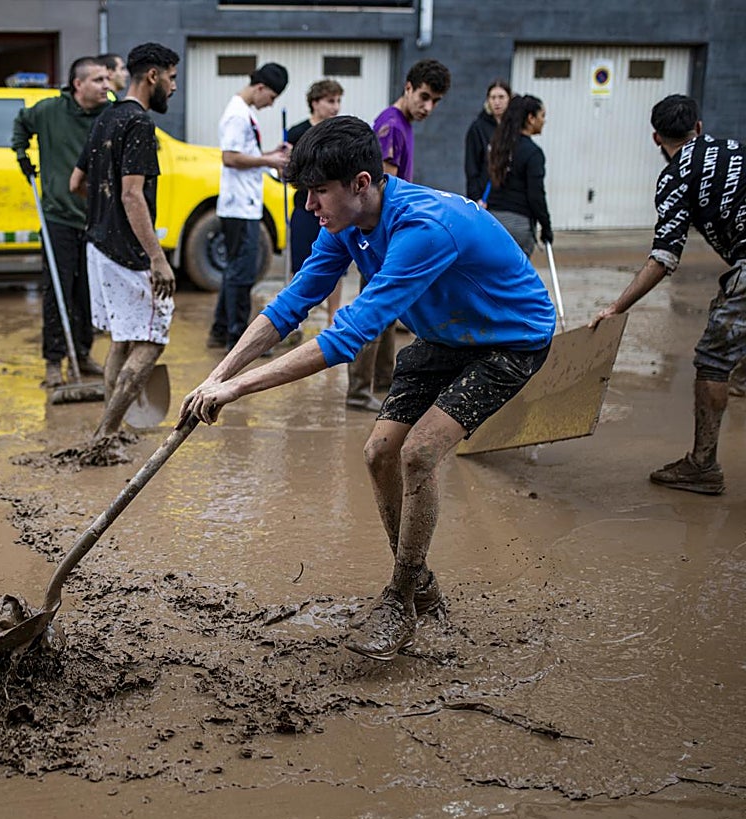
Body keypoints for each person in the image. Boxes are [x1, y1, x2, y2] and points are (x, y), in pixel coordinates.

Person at [181, 116, 555, 661]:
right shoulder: (345, 225)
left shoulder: (423, 229)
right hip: (444, 334)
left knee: (419, 452)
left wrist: (237, 389)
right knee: (379, 452)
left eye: (318, 191)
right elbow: (292, 303)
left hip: (509, 340)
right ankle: (420, 582)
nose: (309, 205)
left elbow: (344, 338)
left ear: (361, 183)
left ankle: (399, 598)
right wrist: (217, 375)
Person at [590, 94, 744, 496]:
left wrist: (615, 307)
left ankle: (702, 466)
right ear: (698, 127)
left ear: (656, 138)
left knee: (714, 360)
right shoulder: (734, 149)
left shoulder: (676, 176)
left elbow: (663, 258)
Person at [70, 42, 179, 442]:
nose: (173, 87)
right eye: (171, 78)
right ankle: (106, 434)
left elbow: (76, 183)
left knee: (122, 339)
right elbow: (132, 196)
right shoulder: (139, 124)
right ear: (153, 76)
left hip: (98, 245)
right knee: (152, 339)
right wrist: (158, 258)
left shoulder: (106, 117)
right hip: (128, 253)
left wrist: (108, 210)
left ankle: (108, 431)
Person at [347, 58, 451, 413]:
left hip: (390, 237)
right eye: (424, 97)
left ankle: (381, 381)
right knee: (373, 312)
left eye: (435, 101)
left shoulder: (402, 123)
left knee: (388, 312)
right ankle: (358, 391)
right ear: (408, 88)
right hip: (381, 238)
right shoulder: (390, 125)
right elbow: (382, 193)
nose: (428, 107)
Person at [12, 56, 111, 387]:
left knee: (87, 294)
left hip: (95, 220)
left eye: (107, 79)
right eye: (98, 80)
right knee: (57, 290)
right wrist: (21, 153)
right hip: (58, 217)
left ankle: (82, 355)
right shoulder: (48, 111)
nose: (106, 86)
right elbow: (21, 123)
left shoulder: (109, 116)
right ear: (78, 84)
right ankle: (54, 361)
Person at [205, 62, 290, 352]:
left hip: (242, 204)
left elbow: (246, 154)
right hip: (240, 206)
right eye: (272, 97)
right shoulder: (237, 115)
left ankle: (220, 330)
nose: (271, 104)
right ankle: (238, 337)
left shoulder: (244, 112)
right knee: (242, 274)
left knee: (235, 271)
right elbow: (230, 157)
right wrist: (269, 160)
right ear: (260, 87)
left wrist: (271, 154)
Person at [486, 95, 552, 257]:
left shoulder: (499, 148)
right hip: (519, 223)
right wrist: (546, 226)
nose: (544, 121)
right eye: (542, 115)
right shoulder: (533, 153)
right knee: (516, 271)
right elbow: (536, 194)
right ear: (531, 118)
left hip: (492, 221)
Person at [288, 79, 342, 276]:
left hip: (335, 209)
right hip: (305, 207)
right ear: (315, 102)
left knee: (335, 266)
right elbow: (287, 172)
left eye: (338, 101)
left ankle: (333, 301)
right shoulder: (297, 133)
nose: (336, 107)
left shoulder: (340, 133)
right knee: (302, 266)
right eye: (330, 101)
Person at [464, 79, 511, 204]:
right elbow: (471, 166)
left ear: (509, 99)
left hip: (509, 198)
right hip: (485, 195)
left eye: (501, 97)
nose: (497, 102)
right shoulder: (478, 128)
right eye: (493, 97)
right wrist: (476, 197)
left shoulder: (513, 128)